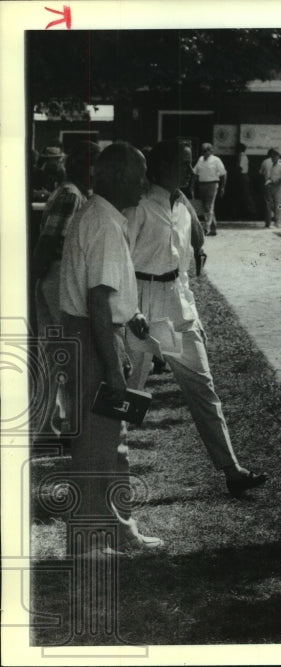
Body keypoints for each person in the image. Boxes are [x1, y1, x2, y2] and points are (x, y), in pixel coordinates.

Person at [124, 139, 269, 497]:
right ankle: (106, 466)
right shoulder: (138, 207)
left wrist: (192, 311)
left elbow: (183, 269)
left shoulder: (183, 209)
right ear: (157, 168)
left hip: (177, 306)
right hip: (141, 306)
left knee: (203, 388)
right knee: (127, 392)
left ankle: (232, 470)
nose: (189, 171)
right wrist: (130, 311)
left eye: (190, 164)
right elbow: (121, 263)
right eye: (181, 164)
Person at [58, 141, 159, 556]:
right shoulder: (101, 221)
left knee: (110, 440)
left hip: (98, 333)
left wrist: (130, 314)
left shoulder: (105, 217)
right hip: (92, 336)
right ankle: (87, 540)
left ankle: (117, 527)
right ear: (116, 176)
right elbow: (99, 299)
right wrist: (114, 371)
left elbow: (109, 294)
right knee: (95, 447)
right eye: (138, 176)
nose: (144, 184)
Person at [30, 140, 103, 440]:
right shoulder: (72, 196)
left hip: (54, 274)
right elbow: (50, 240)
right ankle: (62, 427)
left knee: (54, 355)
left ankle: (47, 427)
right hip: (58, 274)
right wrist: (36, 274)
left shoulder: (71, 193)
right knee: (66, 355)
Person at [193, 142, 227, 236]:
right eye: (203, 151)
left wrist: (222, 187)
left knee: (208, 206)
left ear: (211, 150)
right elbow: (196, 173)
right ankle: (213, 228)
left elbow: (223, 174)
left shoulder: (216, 160)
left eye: (206, 150)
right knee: (206, 207)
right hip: (202, 184)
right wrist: (192, 185)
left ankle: (206, 227)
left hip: (212, 184)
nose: (204, 153)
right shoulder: (200, 159)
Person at [259, 148, 281, 228]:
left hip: (279, 187)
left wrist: (276, 183)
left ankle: (278, 223)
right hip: (272, 187)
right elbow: (270, 177)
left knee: (279, 204)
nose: (272, 158)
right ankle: (280, 219)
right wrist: (269, 183)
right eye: (272, 157)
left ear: (278, 157)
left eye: (274, 156)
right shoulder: (272, 166)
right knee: (272, 205)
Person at [235, 142, 256, 219]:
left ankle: (252, 212)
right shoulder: (243, 156)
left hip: (242, 176)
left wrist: (236, 174)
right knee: (243, 194)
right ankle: (246, 211)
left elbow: (240, 167)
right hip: (243, 176)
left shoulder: (242, 156)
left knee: (246, 194)